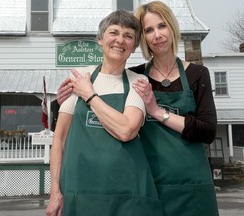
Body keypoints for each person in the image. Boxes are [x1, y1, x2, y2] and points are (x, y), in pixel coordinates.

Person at [55, 1, 219, 216]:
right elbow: (103, 116)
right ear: (142, 40)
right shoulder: (135, 75)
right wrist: (61, 101)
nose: (157, 35)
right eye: (149, 30)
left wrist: (158, 112)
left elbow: (207, 131)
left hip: (192, 183)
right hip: (147, 181)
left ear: (172, 27)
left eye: (162, 26)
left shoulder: (197, 74)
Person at [45, 10, 164, 216]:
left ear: (134, 47)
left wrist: (89, 95)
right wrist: (55, 192)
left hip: (127, 194)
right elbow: (60, 138)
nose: (120, 40)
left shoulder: (138, 82)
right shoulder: (80, 77)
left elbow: (126, 130)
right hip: (79, 191)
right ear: (100, 40)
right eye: (113, 33)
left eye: (128, 36)